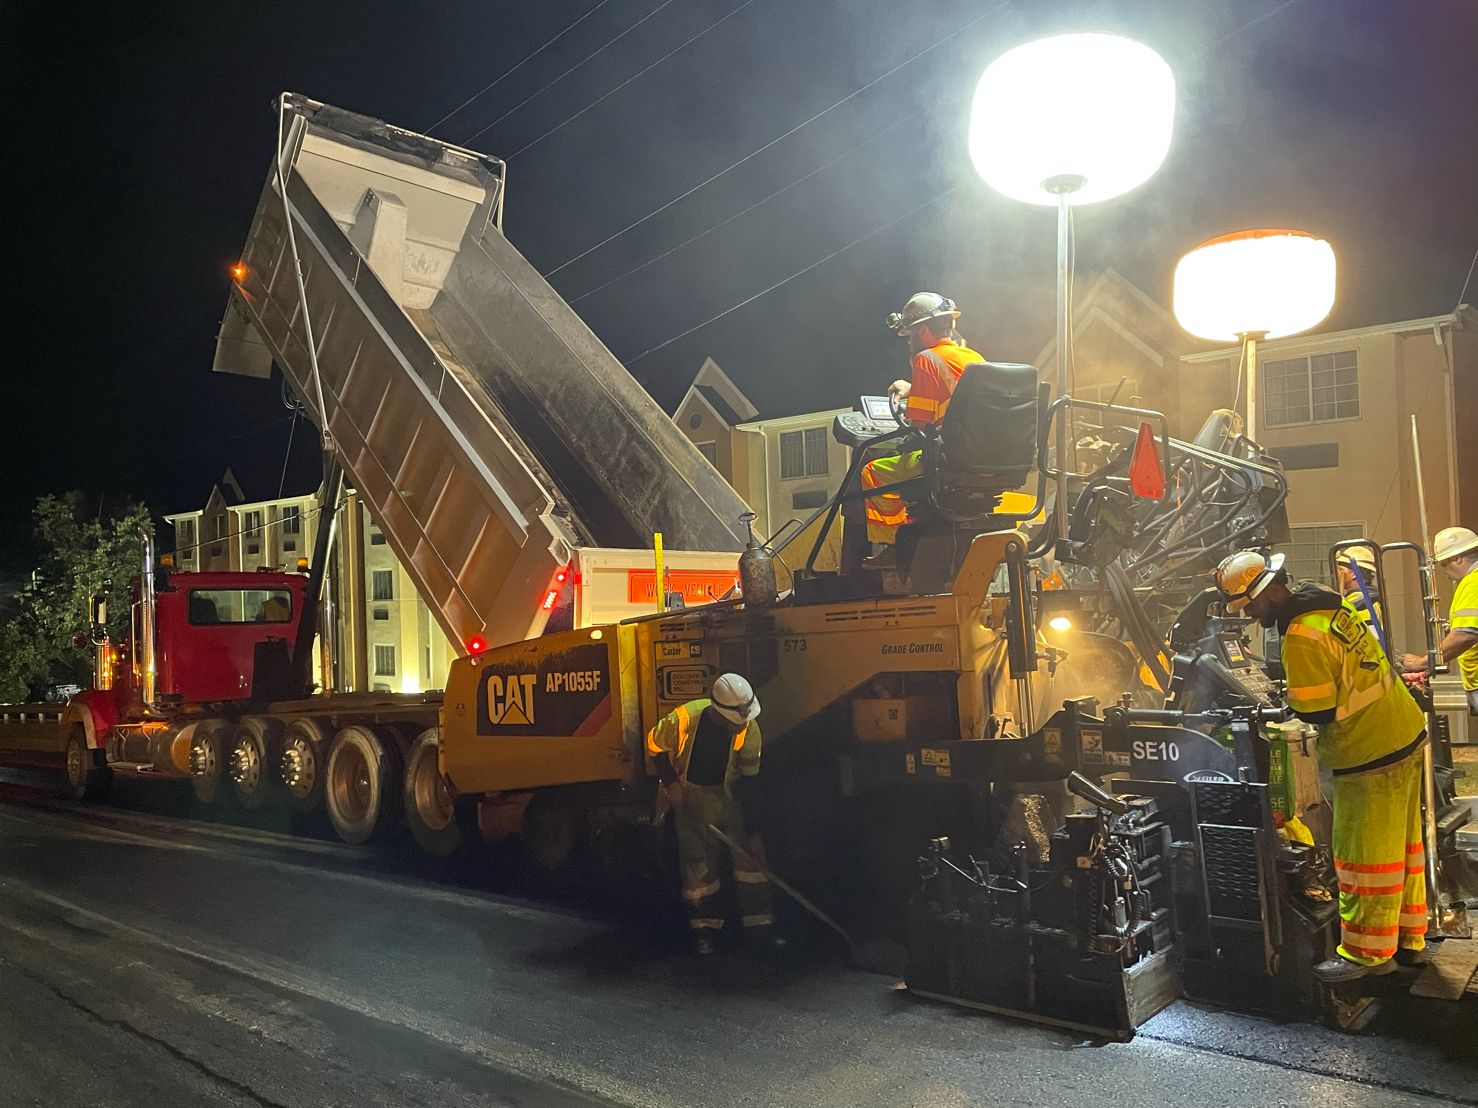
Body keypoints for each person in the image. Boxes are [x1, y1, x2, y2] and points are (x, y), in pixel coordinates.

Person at [1216, 550, 1428, 982]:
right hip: (1402, 733)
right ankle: (1406, 939)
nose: (1252, 615)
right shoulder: (1329, 607)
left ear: (1271, 591)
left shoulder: (1300, 634)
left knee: (1365, 858)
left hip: (1368, 752)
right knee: (1402, 849)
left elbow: (1316, 710)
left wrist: (1281, 700)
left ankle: (1365, 954)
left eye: (1251, 604)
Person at [645, 673, 779, 955]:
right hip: (691, 800)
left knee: (751, 865)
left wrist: (753, 833)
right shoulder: (684, 720)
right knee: (698, 868)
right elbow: (655, 746)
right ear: (719, 714)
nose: (741, 725)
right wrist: (671, 783)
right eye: (735, 721)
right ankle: (705, 930)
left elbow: (752, 781)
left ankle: (759, 929)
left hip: (729, 798)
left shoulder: (748, 728)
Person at [858, 292, 985, 569]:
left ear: (924, 330)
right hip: (979, 458)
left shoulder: (926, 359)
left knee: (872, 472)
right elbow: (956, 398)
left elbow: (918, 424)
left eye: (910, 335)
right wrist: (913, 388)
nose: (909, 341)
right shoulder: (972, 357)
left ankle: (892, 547)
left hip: (946, 460)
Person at [1401, 526, 1478, 714]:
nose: (1445, 571)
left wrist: (1424, 662)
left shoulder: (1473, 583)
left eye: (1444, 564)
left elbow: (1465, 635)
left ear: (1457, 558)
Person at [1334, 544, 1384, 632]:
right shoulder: (1356, 599)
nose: (1336, 573)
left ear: (1353, 574)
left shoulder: (1365, 604)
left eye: (1340, 569)